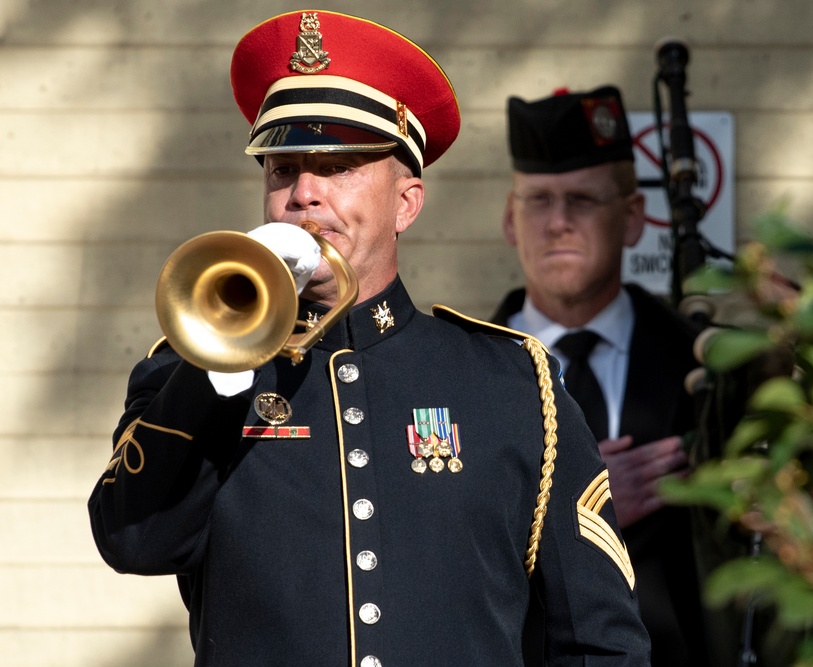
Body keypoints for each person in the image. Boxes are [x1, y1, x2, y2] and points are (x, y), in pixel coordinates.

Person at [88, 12, 651, 667]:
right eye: (283, 169)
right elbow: (132, 540)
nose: (304, 193)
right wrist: (218, 360)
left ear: (406, 202)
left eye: (339, 166)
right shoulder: (192, 370)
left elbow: (598, 641)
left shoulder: (513, 382)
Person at [490, 86, 713, 666]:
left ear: (633, 218)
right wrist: (578, 504)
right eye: (539, 201)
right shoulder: (459, 374)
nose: (558, 223)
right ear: (511, 219)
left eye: (583, 200)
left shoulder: (704, 368)